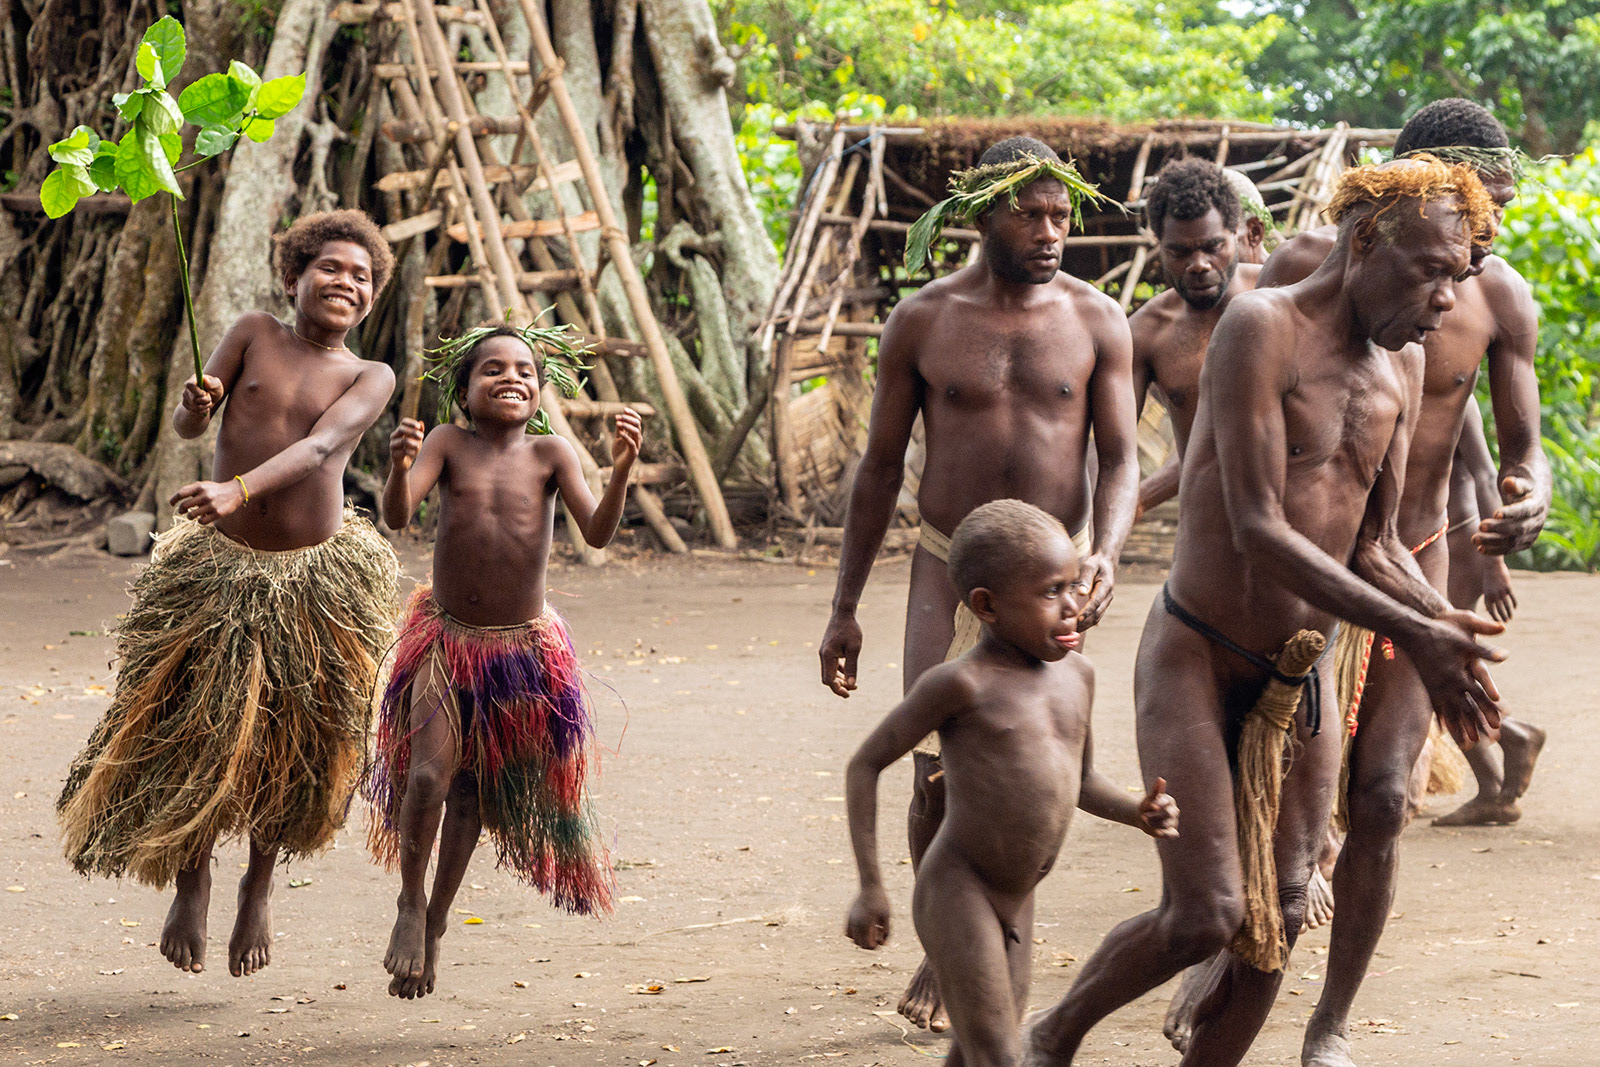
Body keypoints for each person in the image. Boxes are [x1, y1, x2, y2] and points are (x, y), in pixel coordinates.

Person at [1023, 158, 1508, 1067]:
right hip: (1198, 654)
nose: (1449, 298)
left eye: (1459, 275)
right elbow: (1256, 526)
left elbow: (1374, 543)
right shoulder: (1260, 326)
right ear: (1366, 241)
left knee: (1281, 910)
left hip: (1300, 672)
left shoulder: (1401, 366)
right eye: (1433, 270)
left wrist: (1445, 627)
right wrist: (1420, 631)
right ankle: (1050, 1038)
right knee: (1206, 912)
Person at [818, 135, 1141, 1033]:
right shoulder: (923, 320)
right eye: (1029, 213)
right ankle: (945, 936)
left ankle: (1002, 924)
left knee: (1032, 760)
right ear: (978, 214)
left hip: (1056, 564)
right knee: (933, 767)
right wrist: (844, 608)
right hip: (946, 555)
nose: (1050, 232)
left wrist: (1104, 552)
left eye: (1060, 215)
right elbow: (880, 468)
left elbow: (1120, 459)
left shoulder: (1096, 318)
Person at [1256, 101, 1550, 1067]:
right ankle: (1231, 952)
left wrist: (1527, 498)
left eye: (1498, 207)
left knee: (1382, 796)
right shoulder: (1298, 273)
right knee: (1281, 807)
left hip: (1407, 554)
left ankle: (1329, 1023)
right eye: (1474, 204)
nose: (1488, 232)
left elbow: (1523, 450)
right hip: (1300, 570)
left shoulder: (1498, 296)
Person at [57, 209, 401, 978]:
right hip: (219, 565)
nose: (348, 281)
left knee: (293, 739)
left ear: (373, 296)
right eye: (332, 268)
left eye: (363, 275)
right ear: (294, 277)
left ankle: (258, 883)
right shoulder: (252, 330)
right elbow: (188, 424)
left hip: (312, 575)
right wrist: (195, 403)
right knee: (198, 728)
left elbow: (318, 448)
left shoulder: (368, 376)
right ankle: (194, 875)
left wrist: (236, 487)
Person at [844, 499, 1179, 1067]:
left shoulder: (1079, 676)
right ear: (987, 606)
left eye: (1074, 586)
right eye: (1051, 592)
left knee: (977, 1050)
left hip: (1018, 896)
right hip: (960, 888)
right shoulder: (959, 684)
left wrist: (1135, 812)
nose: (1073, 605)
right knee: (1000, 1054)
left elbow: (1082, 779)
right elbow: (865, 765)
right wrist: (871, 885)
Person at [364, 323, 640, 999]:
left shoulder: (552, 452)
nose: (510, 377)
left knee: (471, 795)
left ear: (541, 390)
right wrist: (398, 468)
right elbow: (399, 517)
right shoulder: (446, 443)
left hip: (519, 655)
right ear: (463, 390)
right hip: (446, 640)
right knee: (428, 776)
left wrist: (623, 469)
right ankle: (407, 898)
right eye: (493, 369)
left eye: (523, 369)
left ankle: (434, 921)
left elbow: (597, 533)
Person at [1131, 158, 1265, 521]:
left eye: (1213, 246)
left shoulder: (1283, 295)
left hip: (1300, 521)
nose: (1199, 264)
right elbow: (1113, 448)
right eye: (1180, 252)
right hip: (1207, 526)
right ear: (1159, 246)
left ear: (1236, 233)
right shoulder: (1148, 332)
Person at [1433, 400, 1544, 825]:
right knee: (1435, 667)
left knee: (1437, 662)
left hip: (1459, 540)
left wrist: (1493, 561)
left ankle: (1513, 736)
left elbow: (1484, 474)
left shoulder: (1457, 388)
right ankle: (1493, 791)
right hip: (1433, 542)